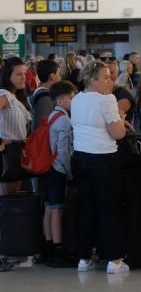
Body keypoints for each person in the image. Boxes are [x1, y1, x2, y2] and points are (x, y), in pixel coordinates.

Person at [71, 60, 129, 273]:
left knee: (87, 210)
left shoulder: (76, 99)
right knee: (108, 210)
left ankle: (84, 259)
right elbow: (118, 133)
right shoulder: (107, 100)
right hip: (104, 159)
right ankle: (114, 260)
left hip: (80, 158)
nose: (110, 80)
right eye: (105, 77)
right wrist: (121, 118)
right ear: (91, 79)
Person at [0, 57, 32, 271]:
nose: (23, 78)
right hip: (8, 154)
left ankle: (8, 248)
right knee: (6, 204)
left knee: (9, 202)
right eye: (18, 74)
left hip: (17, 154)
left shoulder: (17, 97)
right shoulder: (4, 94)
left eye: (24, 74)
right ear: (8, 76)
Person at [43, 80, 77, 268]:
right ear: (61, 101)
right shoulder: (64, 120)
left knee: (48, 208)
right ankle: (58, 250)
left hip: (47, 168)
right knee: (57, 209)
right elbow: (63, 150)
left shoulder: (51, 116)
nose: (74, 101)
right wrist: (69, 171)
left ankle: (49, 247)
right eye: (71, 98)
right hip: (57, 168)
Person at [29, 60, 61, 131]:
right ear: (52, 76)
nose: (60, 78)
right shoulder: (45, 98)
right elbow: (42, 126)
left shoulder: (39, 91)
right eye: (59, 74)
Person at [106, 60, 135, 124]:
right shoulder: (97, 93)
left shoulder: (123, 97)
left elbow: (112, 121)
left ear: (118, 73)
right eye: (104, 74)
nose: (108, 76)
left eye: (111, 72)